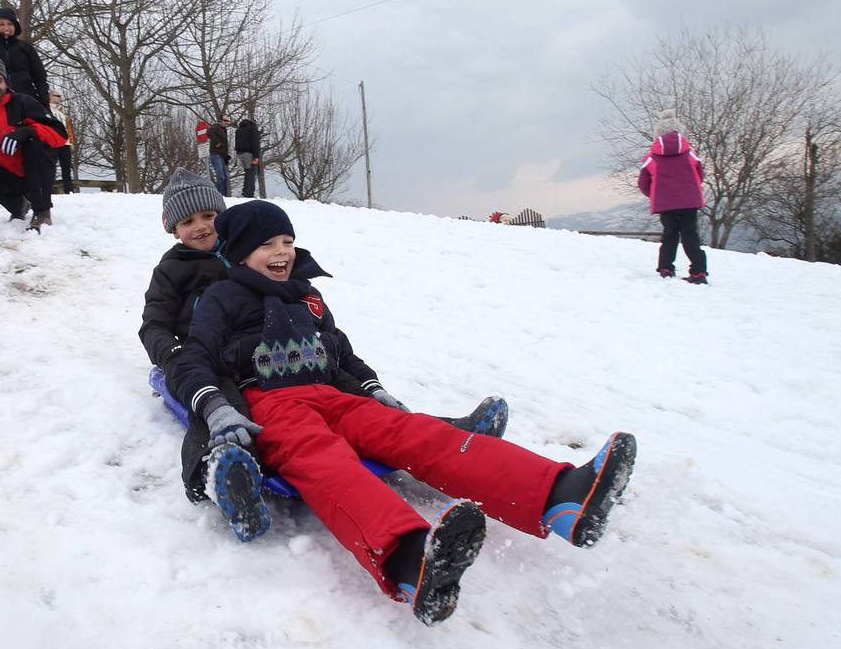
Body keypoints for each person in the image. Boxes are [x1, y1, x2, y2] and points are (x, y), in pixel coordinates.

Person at [170, 200, 637, 626]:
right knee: (323, 459)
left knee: (416, 432)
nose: (282, 252)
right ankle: (410, 559)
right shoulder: (221, 298)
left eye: (288, 242)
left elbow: (343, 354)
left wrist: (375, 389)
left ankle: (562, 497)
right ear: (238, 253)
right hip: (272, 403)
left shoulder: (306, 295)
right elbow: (194, 358)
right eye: (267, 244)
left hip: (335, 395)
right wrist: (216, 408)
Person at [144, 170, 509, 540]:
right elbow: (153, 323)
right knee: (221, 410)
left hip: (273, 351)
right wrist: (173, 354)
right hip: (206, 356)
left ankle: (447, 433)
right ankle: (221, 473)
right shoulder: (173, 270)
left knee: (350, 397)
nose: (201, 227)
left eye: (208, 216)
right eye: (188, 221)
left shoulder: (244, 251)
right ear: (173, 229)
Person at [0, 56, 67, 231]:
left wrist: (28, 131)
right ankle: (18, 206)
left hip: (35, 172)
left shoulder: (23, 103)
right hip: (7, 175)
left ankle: (42, 211)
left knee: (36, 144)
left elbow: (60, 134)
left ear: (6, 82)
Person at [639, 108, 708, 284]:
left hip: (665, 204)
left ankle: (666, 268)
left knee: (669, 235)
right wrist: (690, 190)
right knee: (690, 235)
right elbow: (700, 174)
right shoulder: (690, 153)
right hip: (689, 201)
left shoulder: (651, 157)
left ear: (658, 134)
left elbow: (644, 184)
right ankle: (699, 272)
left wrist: (656, 195)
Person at [0, 7, 50, 106]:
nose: (6, 28)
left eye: (9, 24)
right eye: (2, 24)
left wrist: (44, 101)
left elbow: (39, 76)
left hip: (26, 99)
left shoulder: (26, 48)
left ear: (15, 25)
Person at [48, 89, 75, 193]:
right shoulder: (46, 109)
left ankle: (69, 190)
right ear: (50, 96)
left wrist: (71, 142)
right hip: (53, 142)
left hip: (65, 143)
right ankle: (49, 190)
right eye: (57, 96)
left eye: (60, 96)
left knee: (67, 168)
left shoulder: (62, 111)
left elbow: (68, 128)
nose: (60, 98)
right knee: (51, 167)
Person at [234, 117, 260, 198]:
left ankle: (245, 192)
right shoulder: (252, 128)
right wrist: (256, 156)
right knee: (252, 173)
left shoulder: (238, 130)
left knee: (248, 173)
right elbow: (255, 143)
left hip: (239, 154)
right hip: (249, 154)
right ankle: (249, 194)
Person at [206, 114, 230, 196]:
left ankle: (224, 196)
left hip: (221, 156)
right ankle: (218, 195)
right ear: (220, 120)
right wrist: (217, 142)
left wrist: (226, 156)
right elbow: (208, 132)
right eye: (225, 120)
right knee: (221, 177)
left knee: (225, 177)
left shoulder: (223, 130)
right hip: (216, 155)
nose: (227, 122)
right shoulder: (216, 127)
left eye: (228, 121)